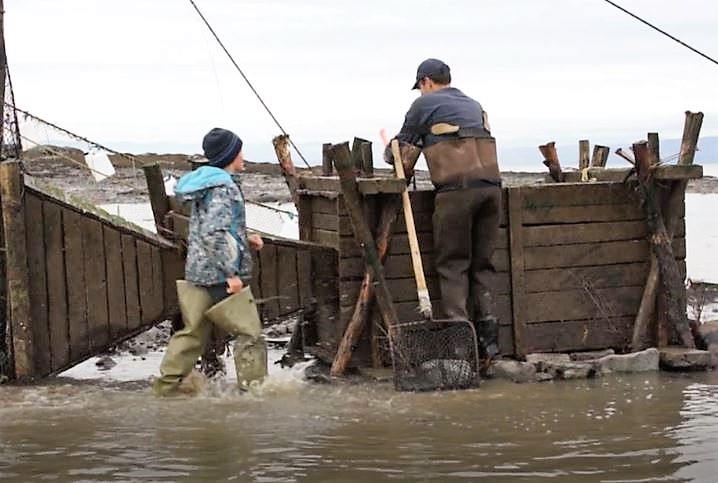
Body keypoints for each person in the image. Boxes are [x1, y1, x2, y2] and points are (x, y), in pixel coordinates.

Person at [386, 58, 502, 362]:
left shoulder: (424, 105)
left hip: (457, 192)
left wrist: (390, 150)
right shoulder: (474, 104)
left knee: (453, 264)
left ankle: (460, 348)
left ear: (425, 82)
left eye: (420, 87)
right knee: (483, 265)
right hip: (492, 189)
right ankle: (490, 346)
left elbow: (402, 150)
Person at [153, 127, 266, 396]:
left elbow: (208, 226)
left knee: (192, 334)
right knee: (249, 335)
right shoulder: (223, 187)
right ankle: (256, 396)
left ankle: (163, 390)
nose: (243, 155)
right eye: (239, 150)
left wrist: (244, 237)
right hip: (219, 276)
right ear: (230, 154)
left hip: (197, 272)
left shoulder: (205, 184)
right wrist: (231, 274)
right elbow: (214, 233)